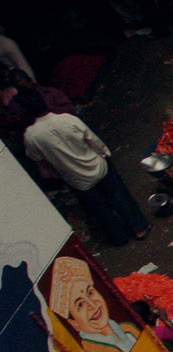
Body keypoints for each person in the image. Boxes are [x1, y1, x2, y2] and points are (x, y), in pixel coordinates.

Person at [20, 91, 148, 247]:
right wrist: (105, 153)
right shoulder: (67, 119)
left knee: (99, 210)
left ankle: (119, 237)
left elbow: (35, 157)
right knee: (119, 197)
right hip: (97, 165)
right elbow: (92, 139)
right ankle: (139, 228)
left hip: (76, 179)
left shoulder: (31, 135)